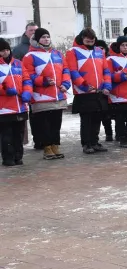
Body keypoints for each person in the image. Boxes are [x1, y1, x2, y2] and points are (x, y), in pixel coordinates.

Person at [20, 28, 70, 160]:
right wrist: (43, 81)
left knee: (56, 123)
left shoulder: (58, 54)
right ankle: (47, 147)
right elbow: (28, 75)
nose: (46, 39)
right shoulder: (29, 56)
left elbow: (65, 70)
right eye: (43, 37)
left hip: (58, 95)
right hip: (41, 96)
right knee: (44, 125)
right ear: (37, 40)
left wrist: (66, 84)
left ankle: (55, 145)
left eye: (47, 36)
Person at [65, 29, 112, 154]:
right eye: (87, 38)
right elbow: (73, 71)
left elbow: (106, 71)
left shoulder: (99, 51)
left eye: (92, 38)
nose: (90, 40)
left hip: (99, 91)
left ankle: (95, 142)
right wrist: (84, 85)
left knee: (97, 118)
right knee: (86, 120)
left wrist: (107, 85)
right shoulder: (72, 52)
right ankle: (86, 143)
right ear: (82, 38)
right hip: (84, 92)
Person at [0, 38, 28, 166]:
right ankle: (8, 158)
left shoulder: (18, 63)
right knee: (7, 135)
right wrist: (4, 90)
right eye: (2, 51)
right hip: (4, 108)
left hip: (20, 106)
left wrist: (27, 92)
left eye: (7, 50)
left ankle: (18, 156)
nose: (5, 52)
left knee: (19, 134)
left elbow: (26, 80)